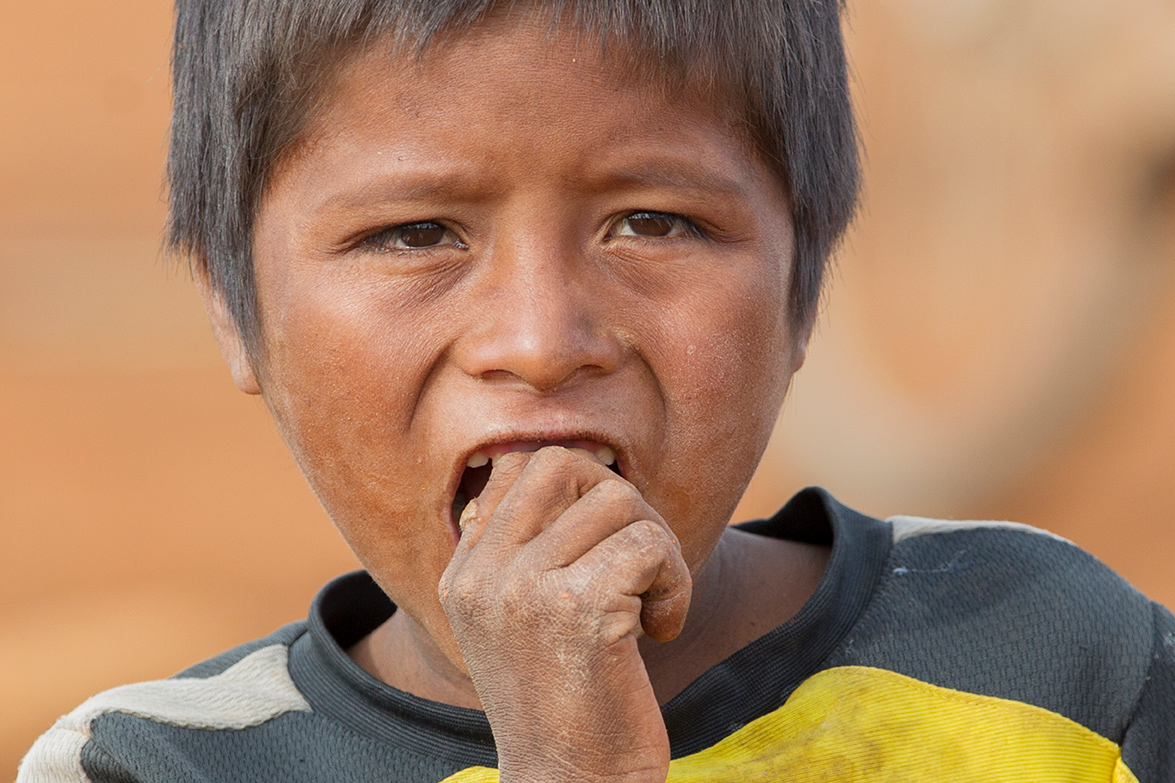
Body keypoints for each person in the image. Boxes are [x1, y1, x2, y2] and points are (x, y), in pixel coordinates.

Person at [17, 1, 1174, 781]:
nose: (539, 342)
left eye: (653, 222)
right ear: (235, 310)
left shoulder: (1059, 665)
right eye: (415, 234)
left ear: (803, 286)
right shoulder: (150, 768)